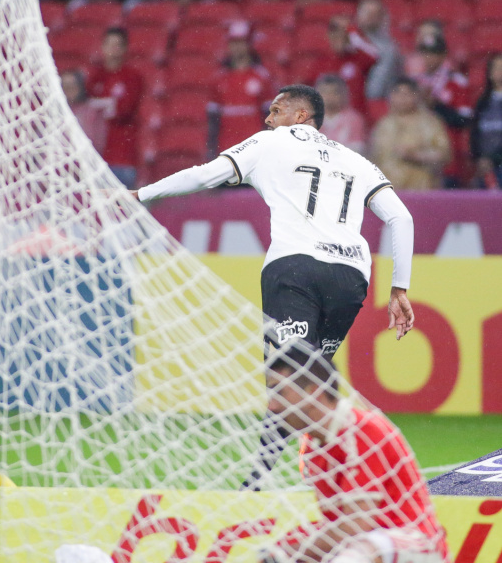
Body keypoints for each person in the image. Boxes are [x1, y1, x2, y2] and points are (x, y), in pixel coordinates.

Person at [132, 84, 415, 489]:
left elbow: (204, 174)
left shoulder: (270, 142)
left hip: (295, 269)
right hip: (350, 277)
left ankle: (260, 480)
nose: (268, 118)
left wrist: (142, 194)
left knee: (287, 377)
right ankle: (338, 476)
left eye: (277, 110)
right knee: (317, 379)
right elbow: (400, 219)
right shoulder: (358, 161)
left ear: (301, 116)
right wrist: (400, 288)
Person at [186, 342, 450, 563]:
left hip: (423, 562)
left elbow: (355, 527)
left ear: (313, 392)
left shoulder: (363, 430)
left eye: (280, 392)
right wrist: (288, 556)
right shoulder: (313, 446)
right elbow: (336, 528)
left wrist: (291, 551)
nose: (272, 405)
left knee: (352, 545)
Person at [408, 31, 472, 187]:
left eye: (434, 53)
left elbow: (465, 120)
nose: (429, 58)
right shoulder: (413, 84)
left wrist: (436, 106)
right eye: (426, 53)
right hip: (416, 156)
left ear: (444, 56)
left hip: (447, 158)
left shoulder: (456, 82)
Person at [86, 27, 145, 190]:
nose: (113, 49)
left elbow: (125, 110)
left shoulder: (132, 77)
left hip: (122, 157)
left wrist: (100, 107)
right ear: (102, 47)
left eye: (117, 45)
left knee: (121, 209)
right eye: (109, 44)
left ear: (125, 49)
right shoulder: (94, 77)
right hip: (95, 157)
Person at [369, 77, 451, 191]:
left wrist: (416, 156)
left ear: (417, 96)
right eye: (397, 93)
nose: (402, 98)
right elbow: (374, 158)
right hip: (389, 190)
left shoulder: (430, 123)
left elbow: (444, 154)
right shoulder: (383, 125)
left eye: (407, 94)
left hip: (422, 187)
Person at [209, 21, 275, 154]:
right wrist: (211, 147)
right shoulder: (219, 78)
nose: (237, 47)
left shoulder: (262, 76)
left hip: (253, 143)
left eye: (241, 42)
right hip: (226, 144)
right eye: (233, 43)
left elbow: (269, 115)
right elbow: (213, 118)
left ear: (249, 45)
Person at [303, 14, 379, 118]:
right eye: (335, 37)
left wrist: (351, 29)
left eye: (343, 36)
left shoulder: (358, 59)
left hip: (355, 118)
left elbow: (376, 55)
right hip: (328, 120)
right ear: (329, 37)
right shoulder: (320, 63)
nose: (339, 40)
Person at [354, 0, 402, 102]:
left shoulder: (388, 49)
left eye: (375, 13)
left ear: (382, 18)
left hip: (373, 101)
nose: (370, 17)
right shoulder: (347, 39)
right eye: (366, 12)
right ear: (357, 15)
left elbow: (376, 90)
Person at [470, 52, 502, 189]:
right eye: (496, 68)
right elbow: (475, 132)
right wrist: (479, 158)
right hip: (485, 166)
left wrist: (493, 158)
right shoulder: (483, 102)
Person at [61, 69, 110, 153]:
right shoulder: (55, 112)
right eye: (65, 86)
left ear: (80, 86)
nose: (68, 90)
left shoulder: (92, 110)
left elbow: (97, 142)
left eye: (73, 85)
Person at [316, 73, 367, 155]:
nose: (329, 96)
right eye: (325, 92)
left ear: (343, 95)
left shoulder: (354, 120)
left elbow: (357, 149)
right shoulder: (310, 119)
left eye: (334, 92)